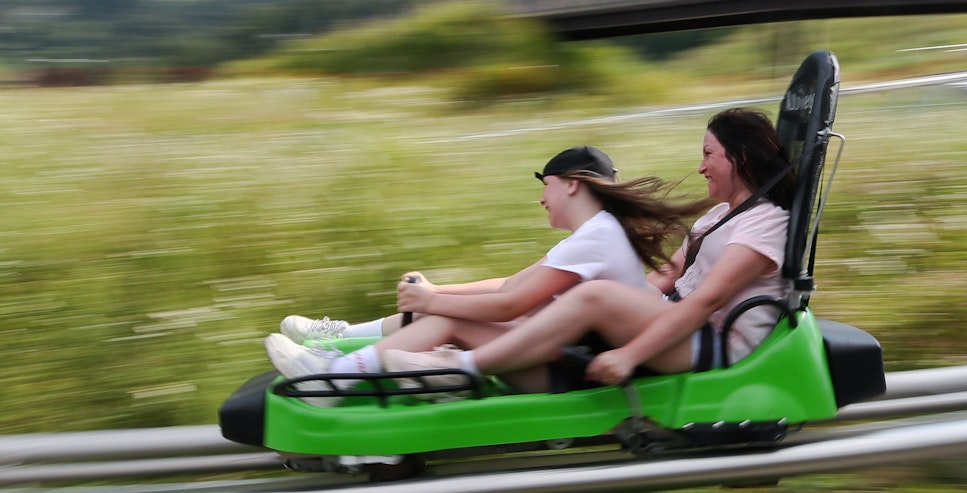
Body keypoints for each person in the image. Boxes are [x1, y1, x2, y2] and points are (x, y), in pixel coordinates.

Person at [377, 107, 798, 393]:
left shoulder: (766, 222)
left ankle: (464, 369)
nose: (701, 166)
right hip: (679, 321)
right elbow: (667, 277)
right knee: (562, 297)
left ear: (740, 157)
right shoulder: (718, 216)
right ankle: (438, 364)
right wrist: (606, 302)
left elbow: (710, 298)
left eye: (708, 154)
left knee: (592, 295)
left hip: (714, 344)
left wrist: (628, 353)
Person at [265, 145, 709, 405]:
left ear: (572, 183)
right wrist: (437, 291)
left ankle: (335, 374)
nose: (541, 200)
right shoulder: (594, 234)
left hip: (567, 373)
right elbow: (510, 285)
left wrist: (434, 302)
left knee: (447, 318)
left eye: (545, 187)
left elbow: (514, 304)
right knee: (443, 313)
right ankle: (337, 354)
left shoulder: (598, 236)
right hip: (553, 357)